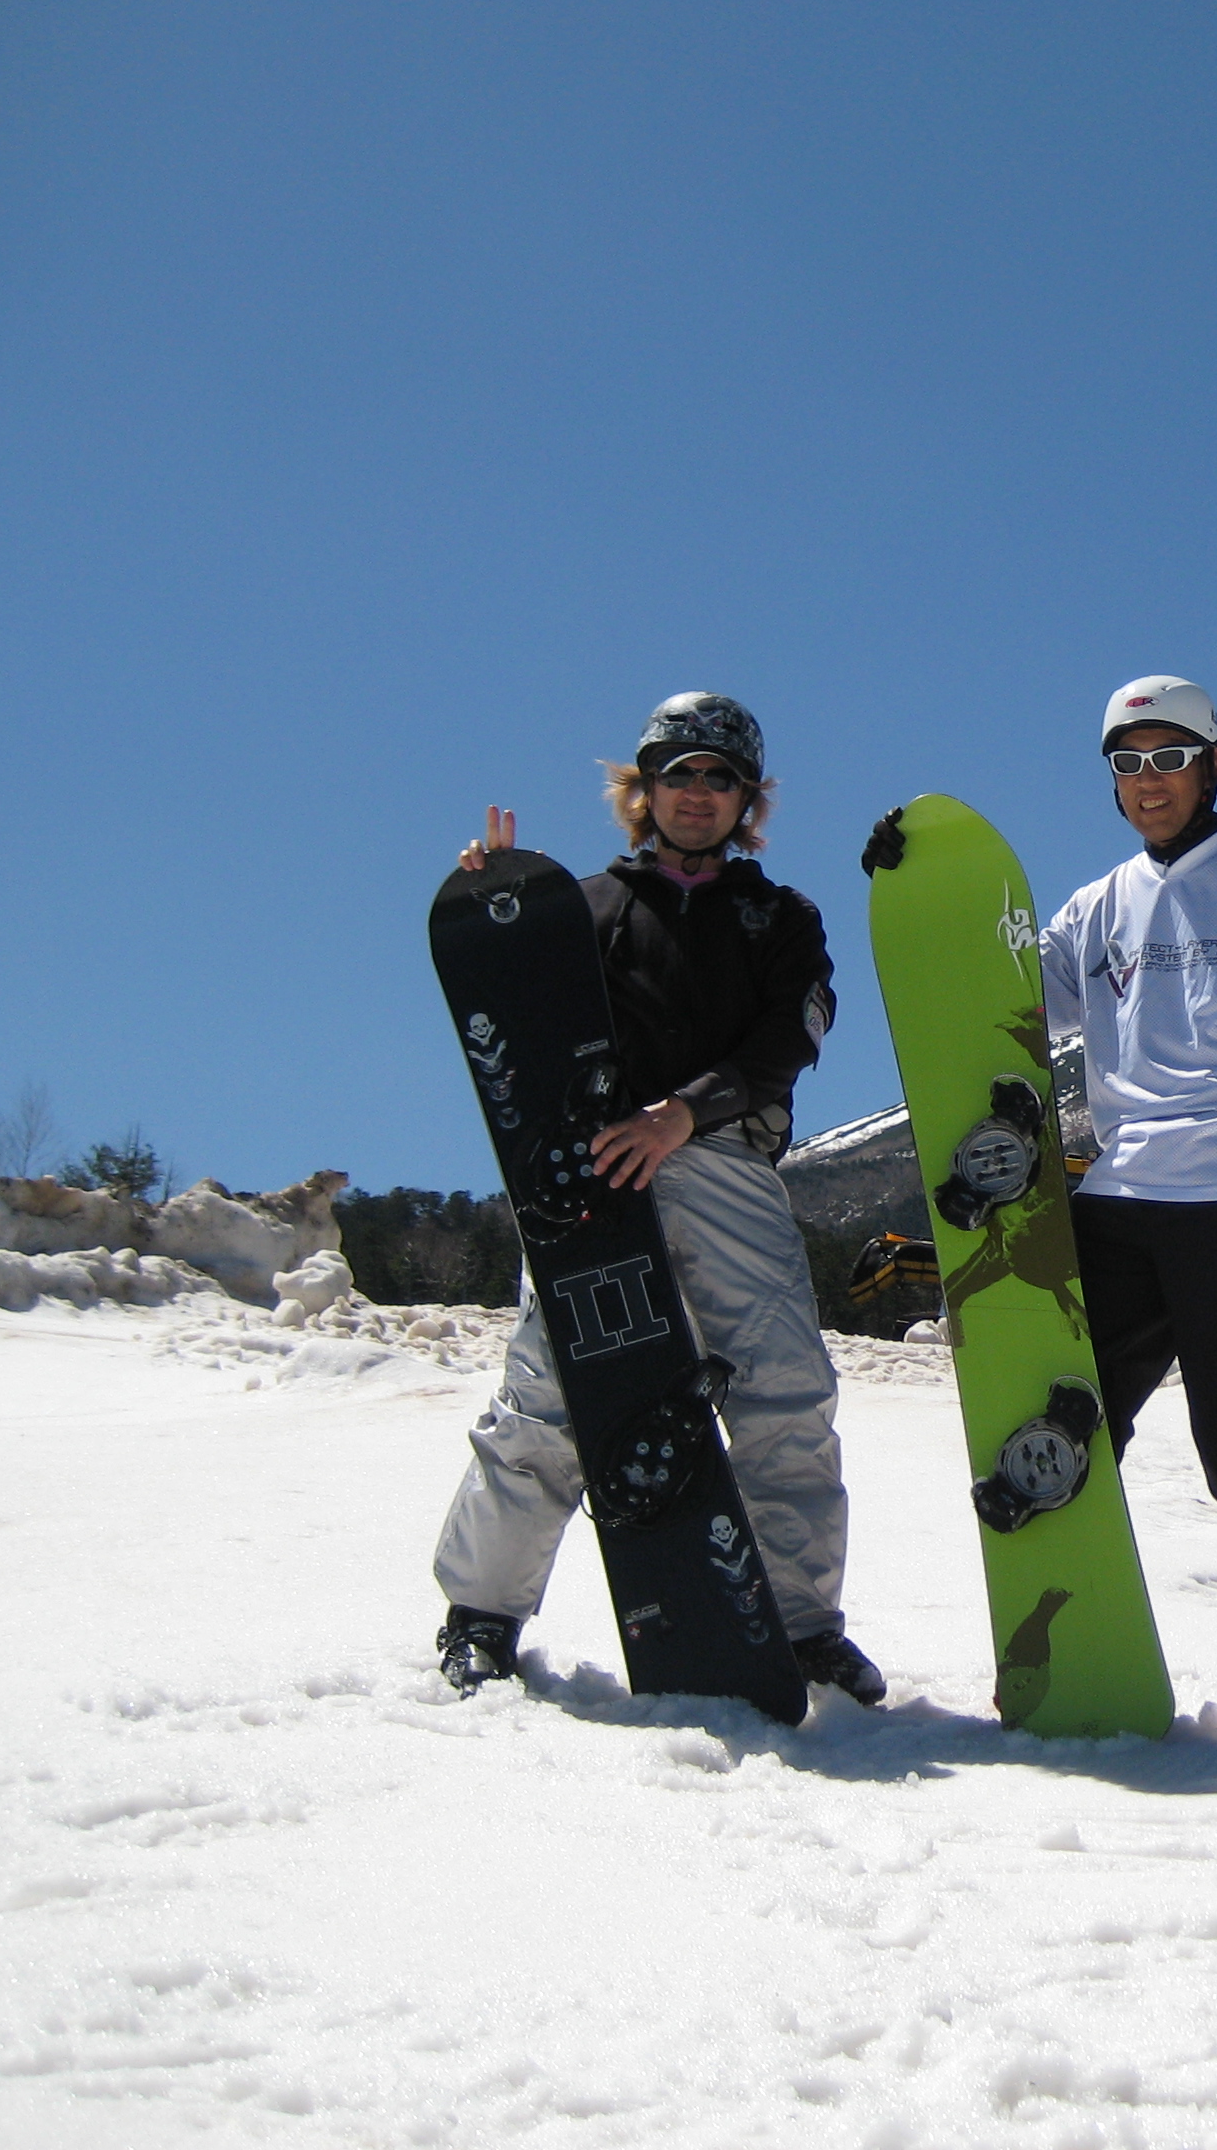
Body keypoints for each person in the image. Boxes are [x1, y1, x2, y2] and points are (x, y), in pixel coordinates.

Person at [903, 674, 1217, 1730]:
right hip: (1124, 1193)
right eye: (1128, 764)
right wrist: (928, 891)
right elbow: (1007, 996)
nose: (1149, 780)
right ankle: (1063, 1632)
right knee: (1054, 1404)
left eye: (1170, 758)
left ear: (1213, 765)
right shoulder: (1100, 906)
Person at [431, 691, 884, 1708]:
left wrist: (684, 1113)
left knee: (787, 1393)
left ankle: (803, 1627)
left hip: (725, 1162)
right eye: (680, 773)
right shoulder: (586, 906)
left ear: (748, 800)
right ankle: (481, 1616)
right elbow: (511, 1011)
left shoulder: (782, 919)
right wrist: (494, 903)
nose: (699, 793)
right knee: (553, 1391)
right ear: (643, 788)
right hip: (599, 1176)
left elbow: (786, 1041)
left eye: (722, 778)